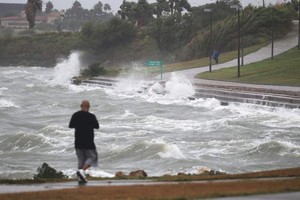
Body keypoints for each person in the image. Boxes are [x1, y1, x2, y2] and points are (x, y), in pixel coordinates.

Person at [69, 100, 99, 184]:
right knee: (93, 157)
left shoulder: (75, 115)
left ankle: (80, 178)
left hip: (78, 141)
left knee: (81, 159)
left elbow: (71, 125)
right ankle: (82, 171)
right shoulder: (91, 116)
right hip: (88, 141)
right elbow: (97, 126)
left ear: (80, 106)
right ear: (89, 107)